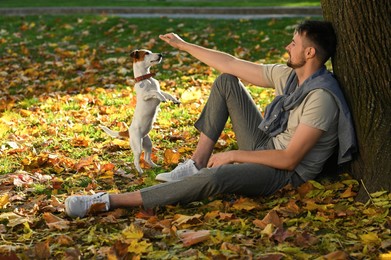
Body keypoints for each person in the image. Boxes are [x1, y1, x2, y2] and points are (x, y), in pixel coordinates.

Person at [65, 20, 356, 218]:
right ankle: (195, 163)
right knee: (227, 81)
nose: (287, 48)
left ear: (309, 52)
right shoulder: (290, 76)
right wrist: (184, 46)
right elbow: (230, 64)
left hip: (284, 174)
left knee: (217, 177)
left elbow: (290, 160)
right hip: (266, 145)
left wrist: (232, 155)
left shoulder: (321, 98)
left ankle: (108, 201)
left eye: (293, 44)